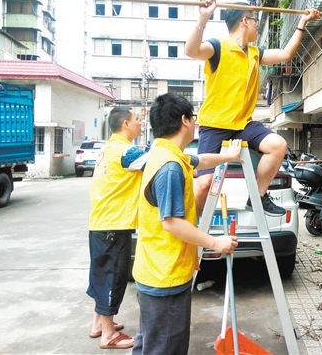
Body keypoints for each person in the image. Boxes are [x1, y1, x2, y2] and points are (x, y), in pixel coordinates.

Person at [185, 0, 320, 217]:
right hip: (214, 125)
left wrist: (302, 23)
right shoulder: (217, 47)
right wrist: (203, 17)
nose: (258, 26)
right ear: (245, 21)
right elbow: (191, 51)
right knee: (203, 184)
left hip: (242, 125)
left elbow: (286, 54)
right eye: (256, 20)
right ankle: (194, 228)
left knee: (278, 145)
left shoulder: (255, 53)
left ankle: (257, 196)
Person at [132, 92, 240, 355]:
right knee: (166, 347)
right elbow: (171, 223)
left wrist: (228, 156)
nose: (196, 124)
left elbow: (200, 160)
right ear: (184, 120)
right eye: (194, 118)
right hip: (164, 277)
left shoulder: (163, 153)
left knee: (150, 343)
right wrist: (216, 242)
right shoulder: (169, 167)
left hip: (154, 270)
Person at [86, 106, 149, 350]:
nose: (140, 123)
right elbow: (161, 161)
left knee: (101, 276)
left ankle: (99, 325)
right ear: (125, 124)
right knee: (112, 278)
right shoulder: (126, 152)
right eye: (136, 120)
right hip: (114, 225)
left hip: (100, 223)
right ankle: (109, 335)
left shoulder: (107, 149)